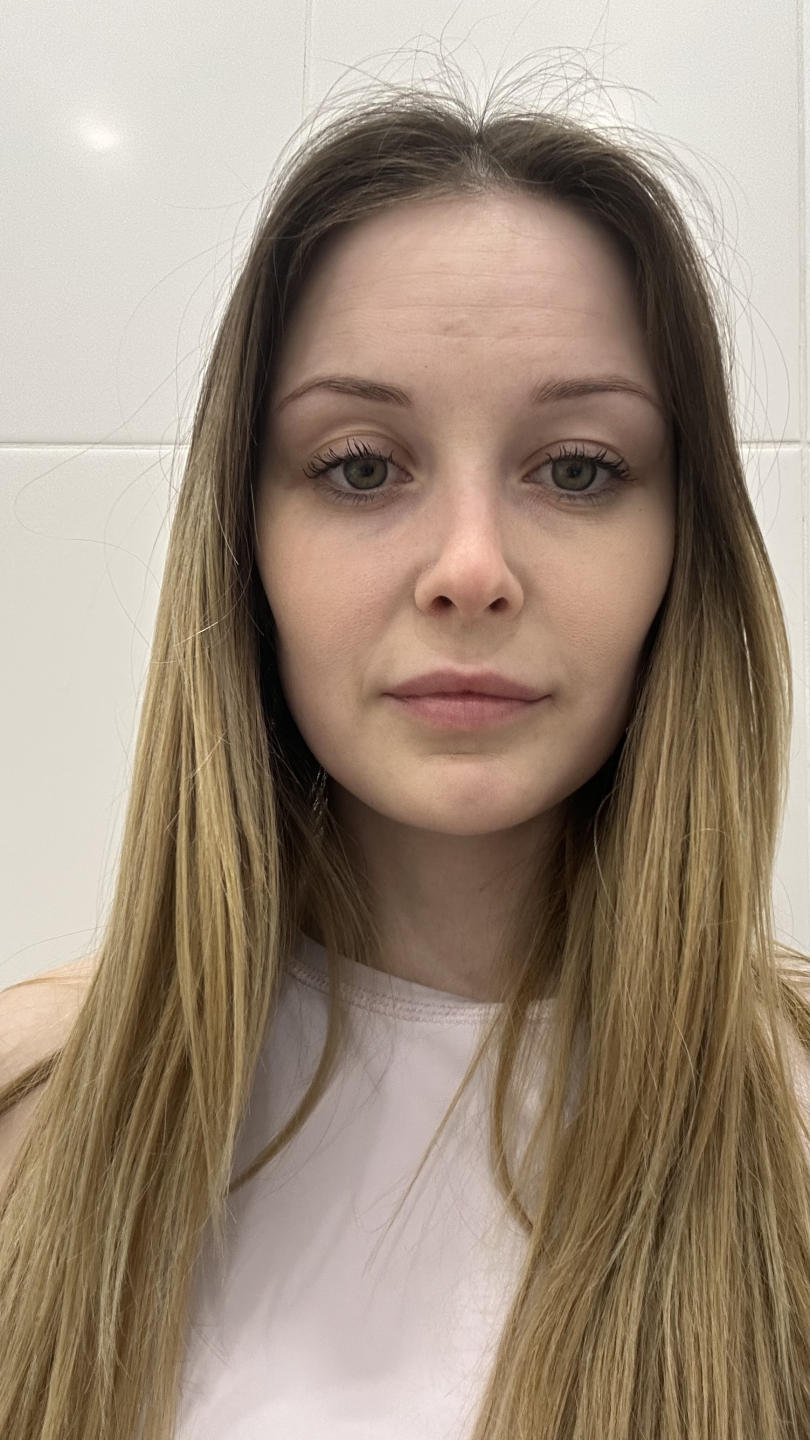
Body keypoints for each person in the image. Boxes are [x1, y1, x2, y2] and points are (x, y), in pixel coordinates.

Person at [1, 71, 808, 1440]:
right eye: (362, 467)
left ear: (685, 548)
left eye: (578, 468)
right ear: (244, 546)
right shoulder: (33, 1117)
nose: (470, 569)